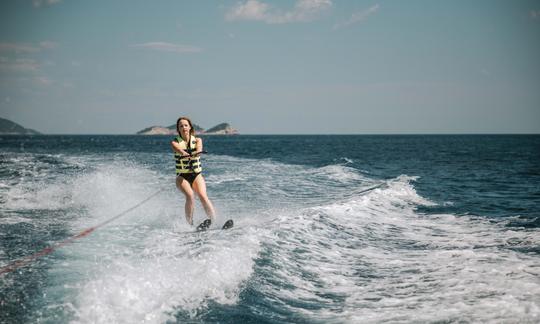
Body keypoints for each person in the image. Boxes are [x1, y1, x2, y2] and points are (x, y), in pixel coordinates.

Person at [171, 116, 215, 230]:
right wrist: (183, 152)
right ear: (178, 129)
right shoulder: (175, 142)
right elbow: (178, 149)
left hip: (196, 175)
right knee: (190, 196)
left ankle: (214, 221)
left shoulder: (198, 140)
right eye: (181, 126)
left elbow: (199, 150)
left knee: (202, 196)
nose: (183, 127)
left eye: (186, 125)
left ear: (190, 127)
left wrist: (196, 153)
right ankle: (189, 225)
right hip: (182, 177)